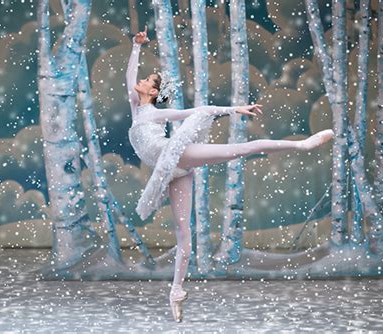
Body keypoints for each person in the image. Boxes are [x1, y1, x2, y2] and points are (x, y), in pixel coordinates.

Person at [126, 27, 334, 322]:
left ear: (154, 92)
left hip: (173, 155)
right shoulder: (137, 108)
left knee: (239, 149)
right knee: (183, 235)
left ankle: (302, 144)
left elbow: (201, 110)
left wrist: (235, 108)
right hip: (170, 171)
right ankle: (176, 291)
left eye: (147, 80)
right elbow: (128, 78)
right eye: (144, 77)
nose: (141, 80)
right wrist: (136, 47)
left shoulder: (156, 114)